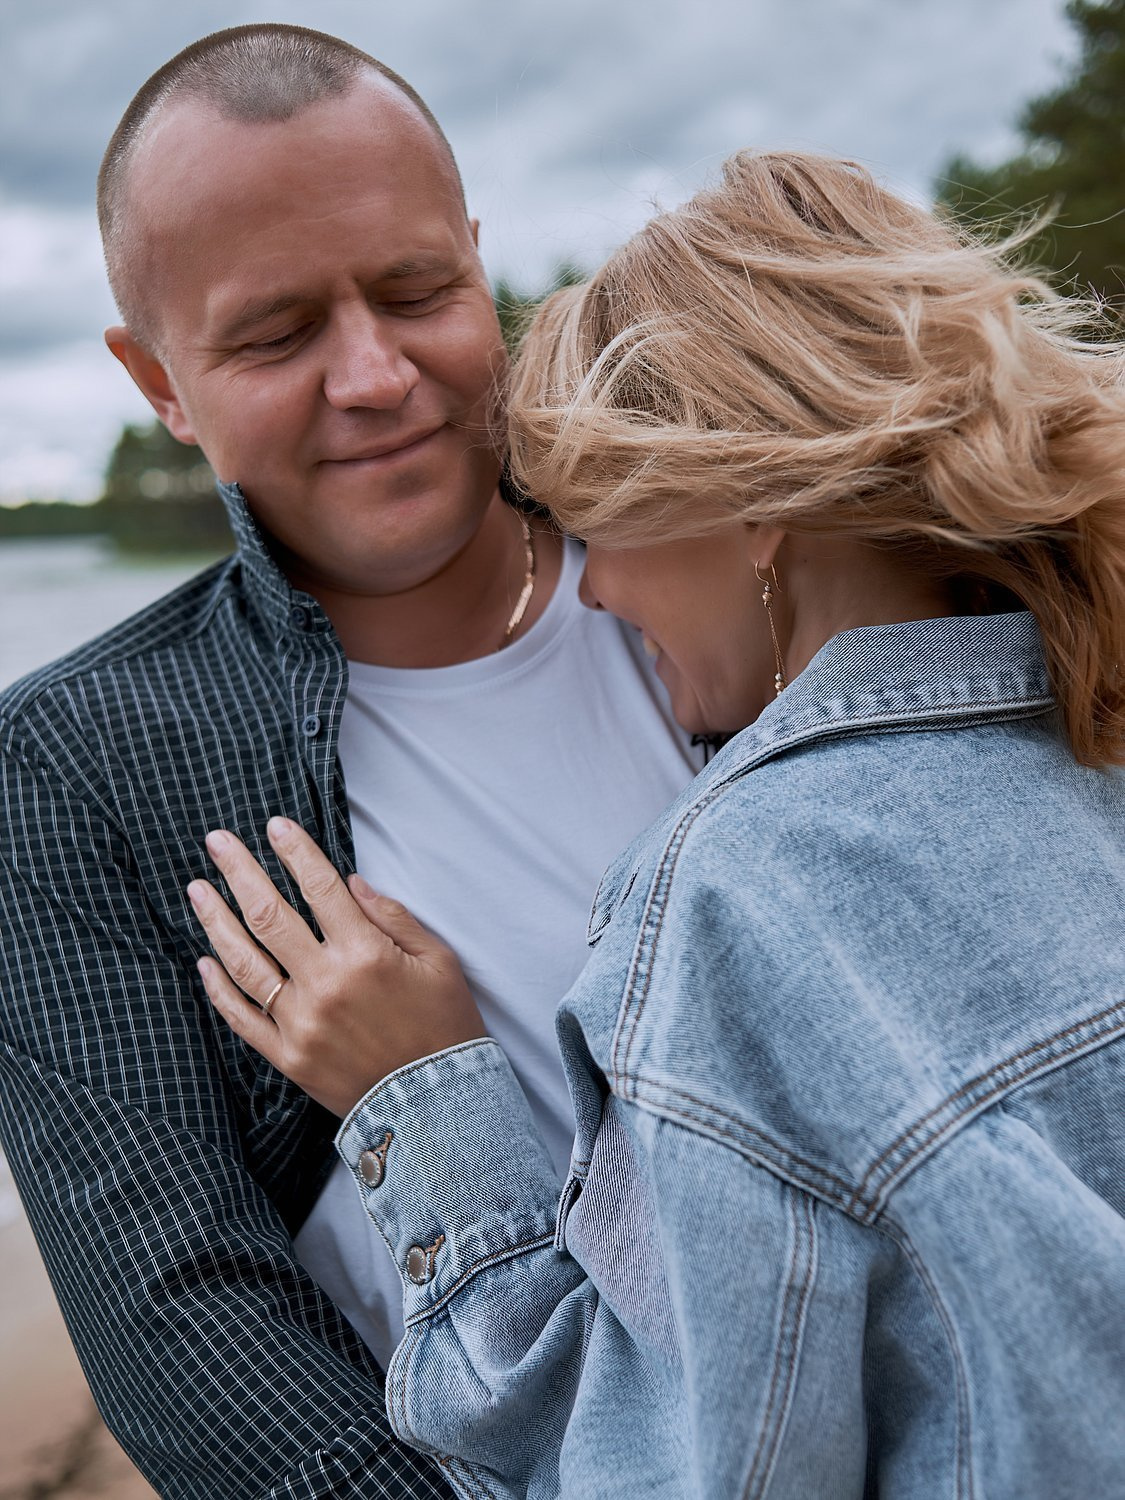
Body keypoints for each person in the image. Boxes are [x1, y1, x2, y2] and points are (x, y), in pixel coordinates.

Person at [195, 151, 1125, 1498]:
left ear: (751, 510)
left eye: (595, 522)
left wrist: (422, 1099)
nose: (599, 588)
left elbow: (661, 1467)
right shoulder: (1090, 755)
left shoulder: (741, 895)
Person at [0, 24, 702, 1499]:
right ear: (160, 385)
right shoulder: (76, 767)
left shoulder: (732, 570)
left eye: (414, 291)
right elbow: (179, 1317)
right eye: (275, 336)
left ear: (479, 263)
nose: (374, 375)